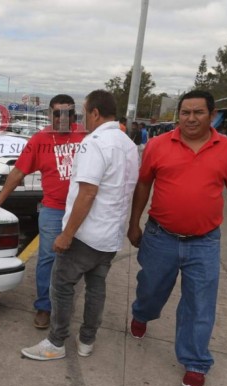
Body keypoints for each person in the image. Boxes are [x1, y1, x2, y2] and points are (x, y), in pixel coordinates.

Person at [127, 90, 227, 386]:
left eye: (198, 112)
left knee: (199, 304)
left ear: (212, 114)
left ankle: (195, 361)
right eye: (185, 112)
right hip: (159, 237)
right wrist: (134, 223)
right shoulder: (157, 145)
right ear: (178, 115)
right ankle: (142, 313)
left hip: (205, 243)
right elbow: (143, 184)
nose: (191, 118)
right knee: (151, 290)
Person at [21, 89, 138, 361]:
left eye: (84, 112)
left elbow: (87, 193)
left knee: (61, 285)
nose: (82, 118)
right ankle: (87, 340)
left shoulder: (94, 142)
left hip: (87, 234)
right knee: (97, 287)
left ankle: (56, 342)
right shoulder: (128, 144)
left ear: (95, 113)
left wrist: (67, 234)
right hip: (111, 235)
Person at [0, 94, 86, 329]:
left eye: (68, 113)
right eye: (57, 113)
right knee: (48, 258)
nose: (62, 118)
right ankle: (44, 307)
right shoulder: (40, 140)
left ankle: (66, 306)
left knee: (81, 261)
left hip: (85, 211)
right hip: (53, 210)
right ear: (50, 114)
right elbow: (18, 171)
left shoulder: (87, 136)